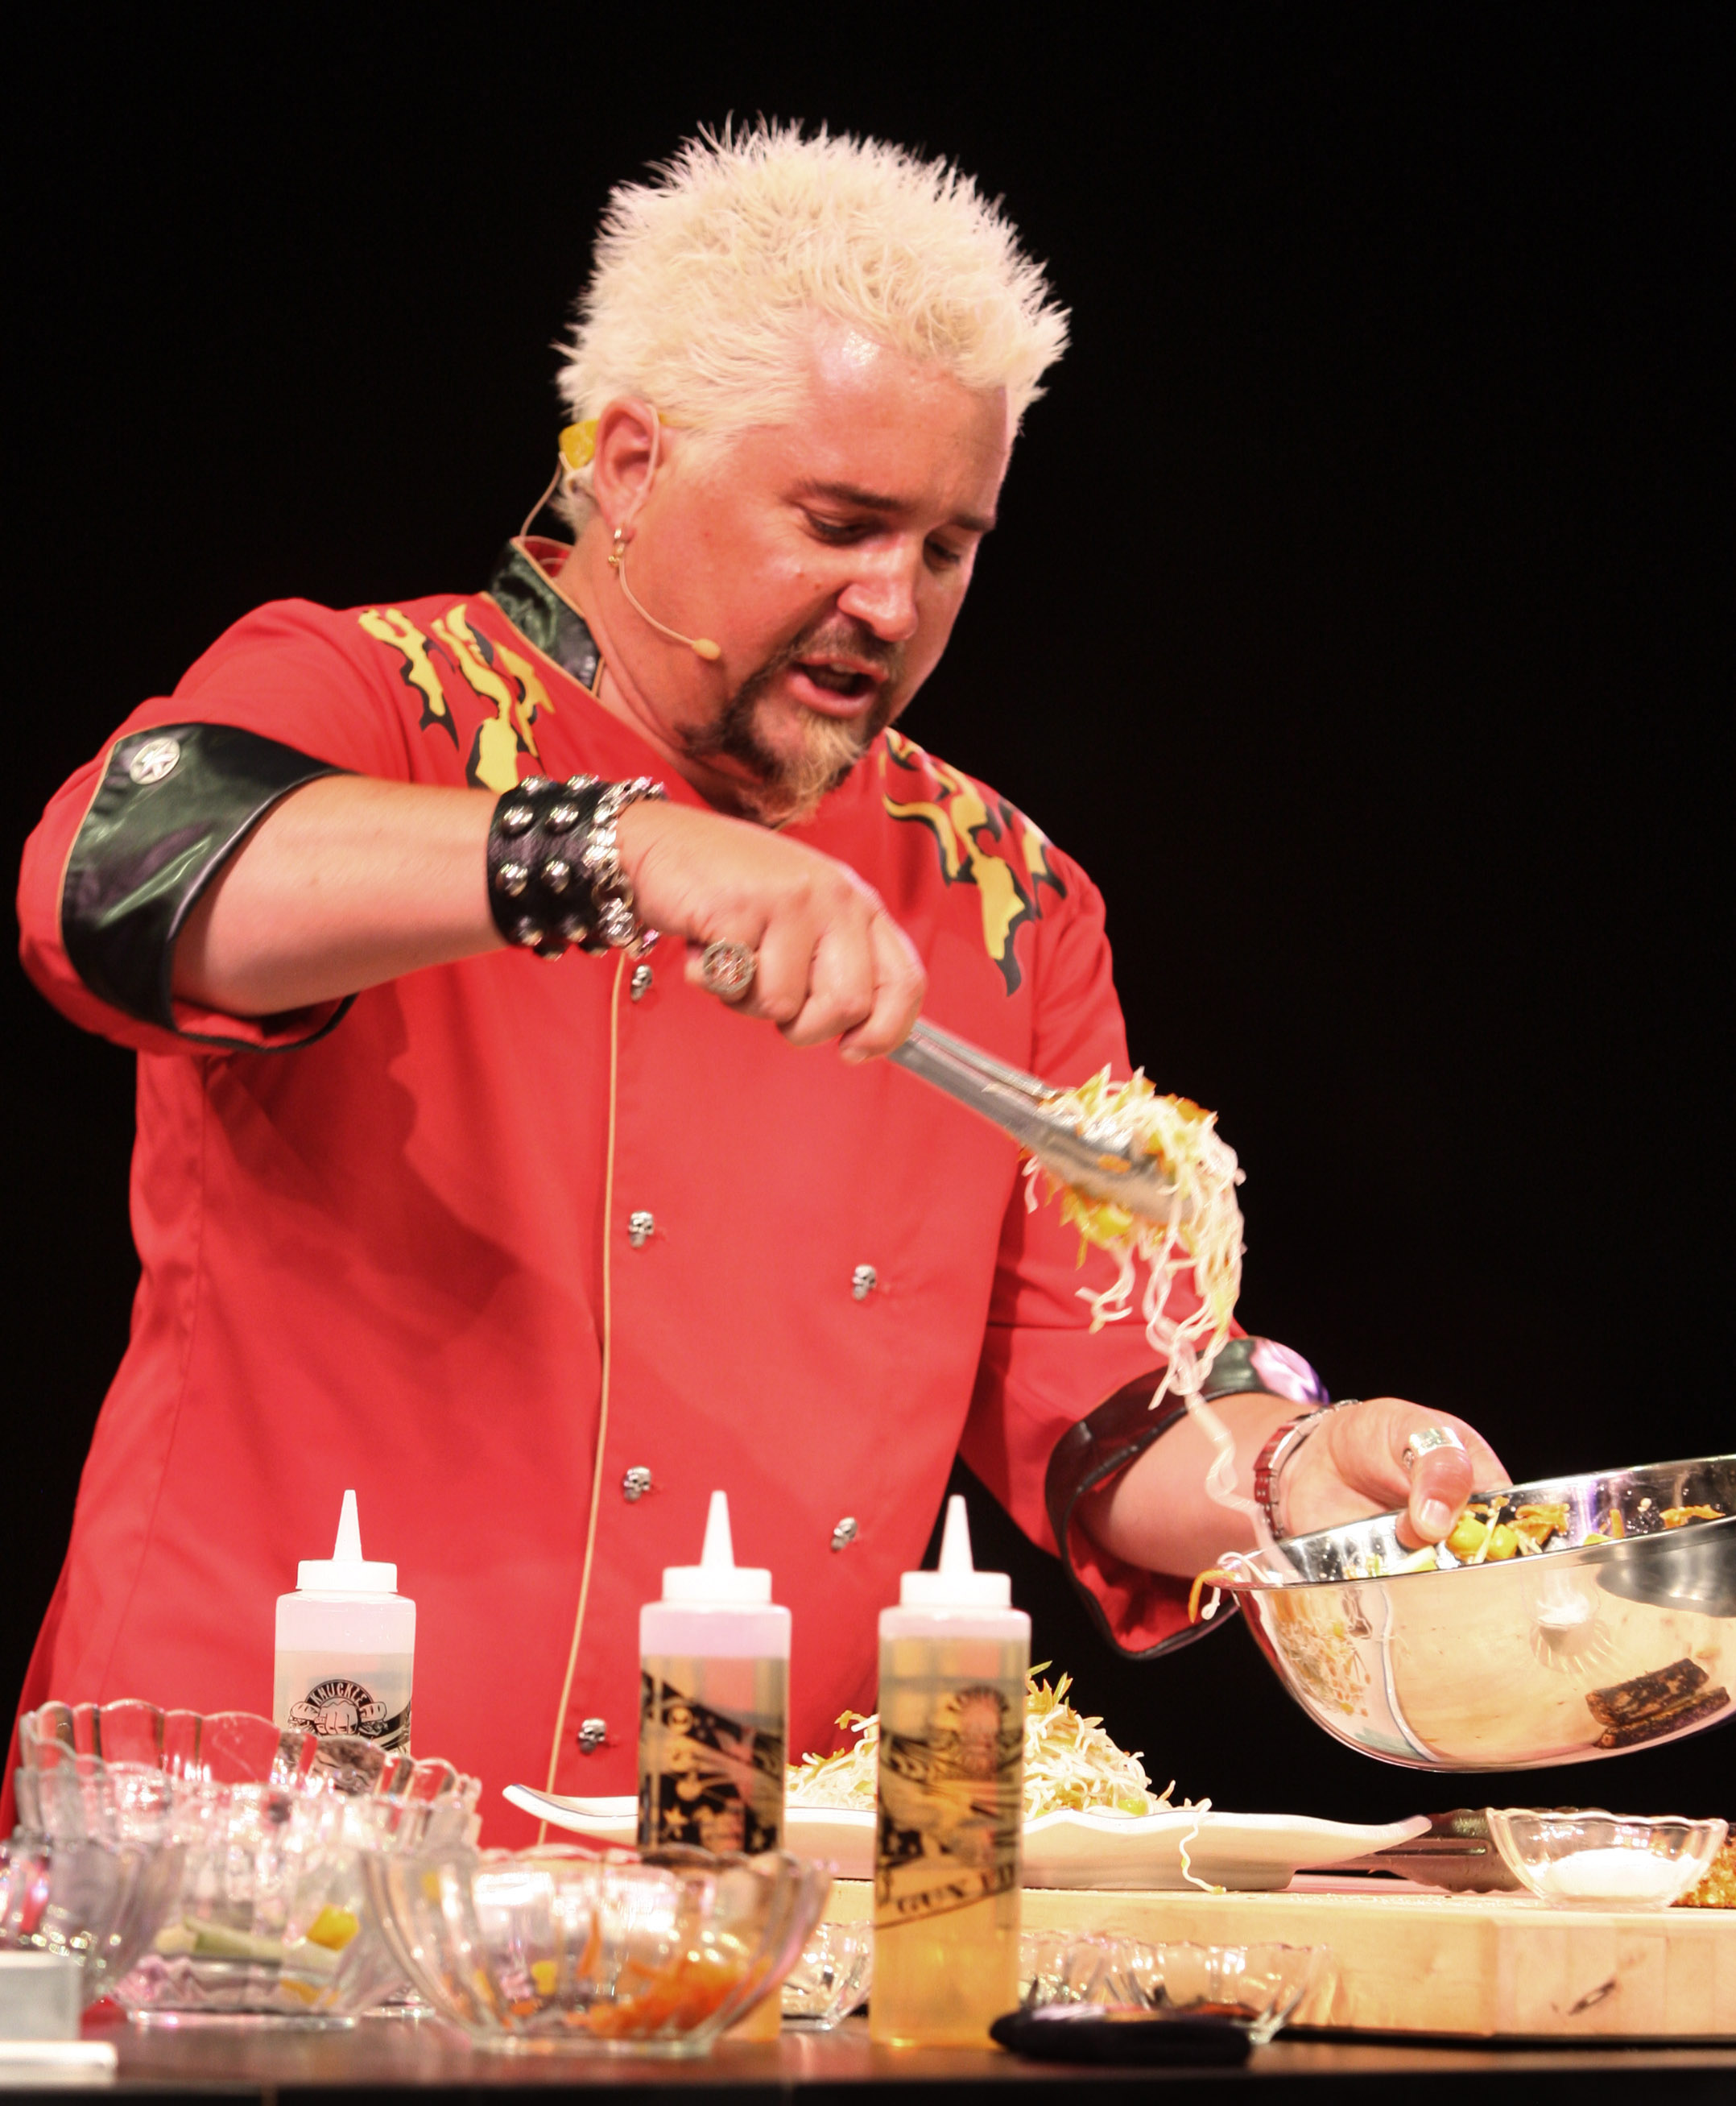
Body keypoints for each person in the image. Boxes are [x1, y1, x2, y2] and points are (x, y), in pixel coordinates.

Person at [13, 127, 1502, 1833]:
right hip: (255, 1842)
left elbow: (1110, 1397)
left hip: (725, 1869)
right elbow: (112, 885)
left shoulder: (1001, 898)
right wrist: (615, 849)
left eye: (947, 546)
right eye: (842, 522)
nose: (894, 600)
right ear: (631, 466)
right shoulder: (379, 698)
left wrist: (1311, 1481)